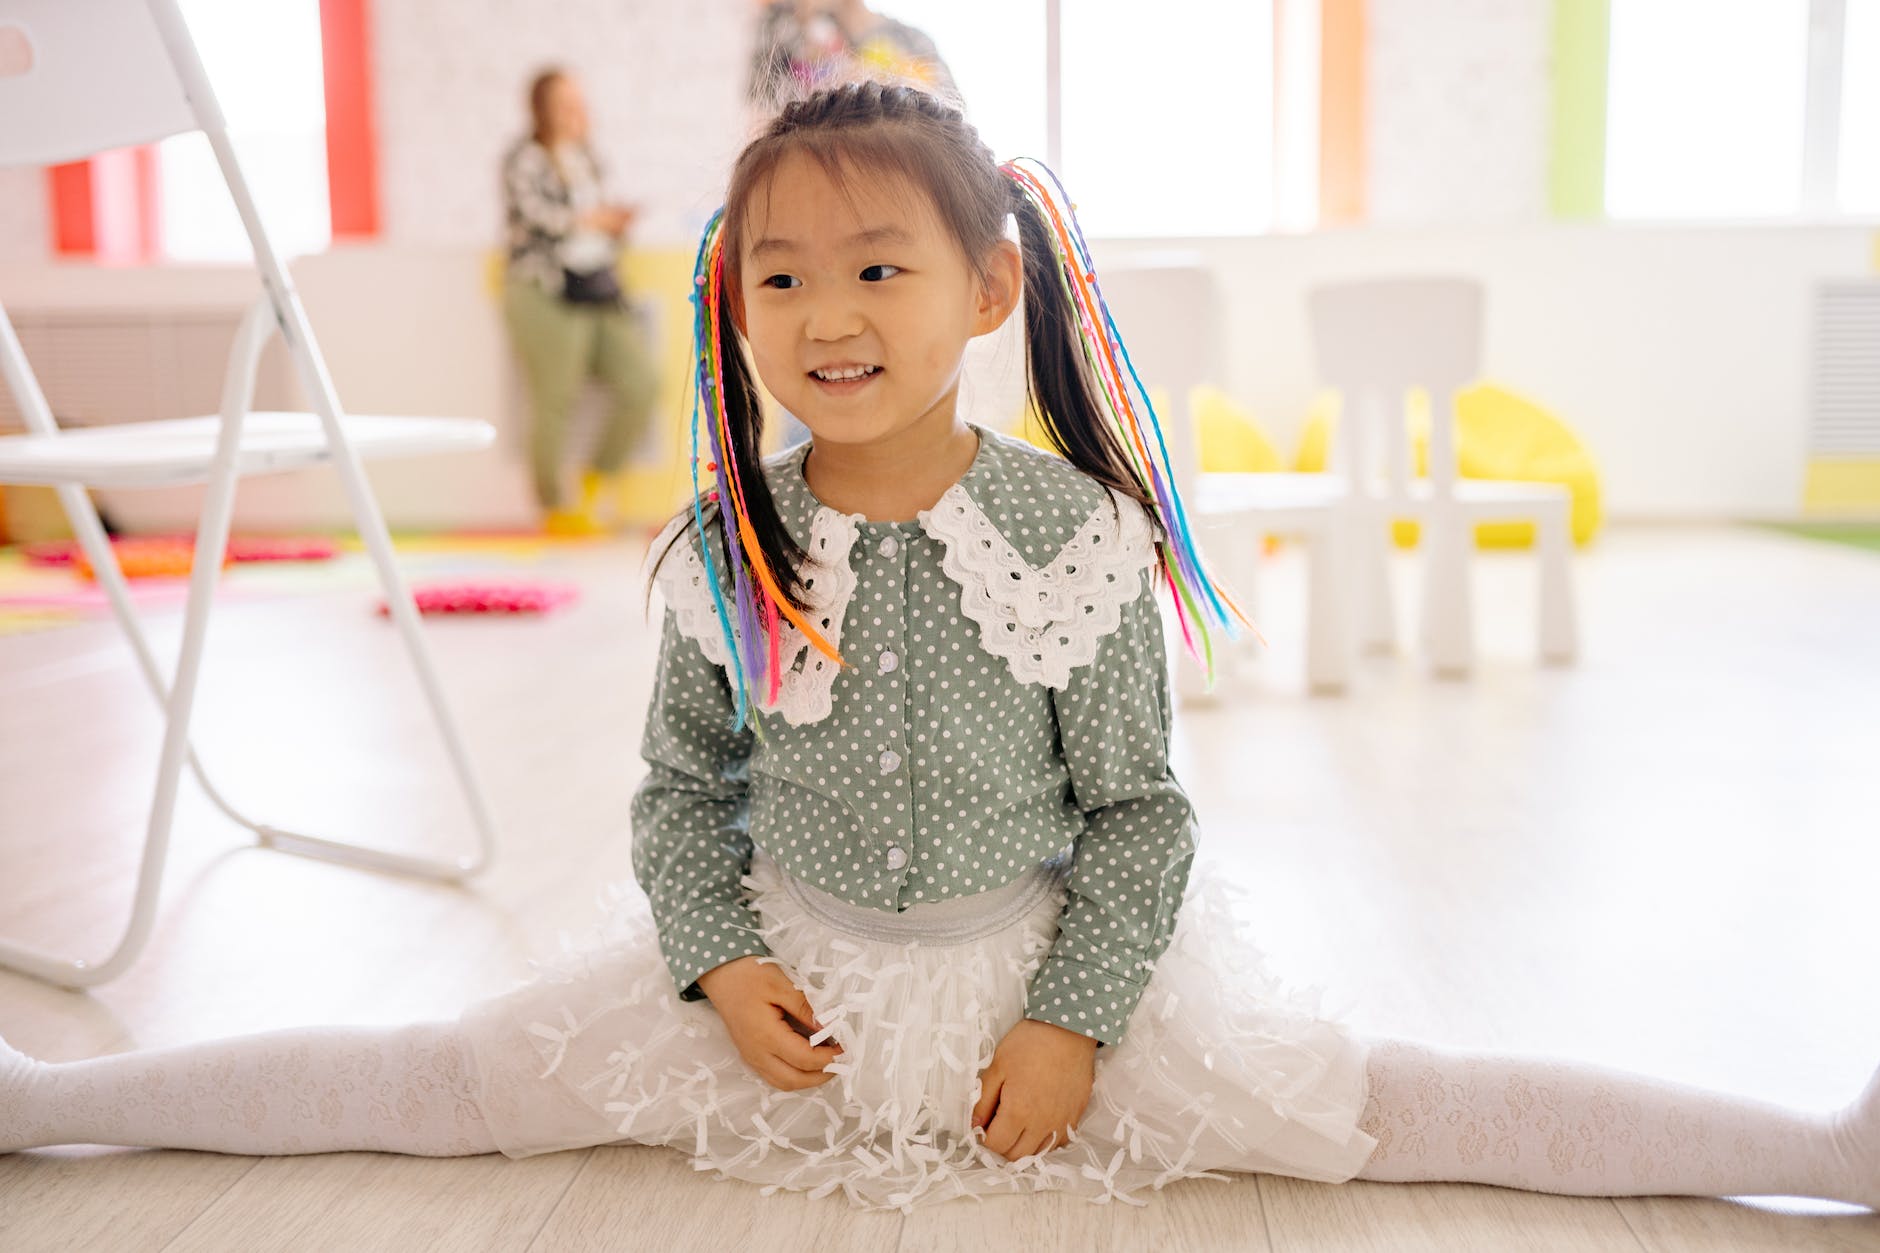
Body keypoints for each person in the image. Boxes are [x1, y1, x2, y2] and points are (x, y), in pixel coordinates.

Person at [3, 84, 1877, 1217]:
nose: (825, 314)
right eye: (778, 274)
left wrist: (1070, 1018)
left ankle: (1815, 1137)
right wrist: (723, 968)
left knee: (1384, 1113)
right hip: (785, 998)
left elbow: (1139, 816)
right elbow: (678, 795)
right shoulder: (729, 541)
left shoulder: (1072, 531)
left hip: (1047, 990)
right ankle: (52, 1107)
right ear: (729, 298)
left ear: (988, 289)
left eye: (877, 267)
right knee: (436, 1088)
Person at [501, 67, 659, 536]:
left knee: (642, 383)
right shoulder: (525, 158)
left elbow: (594, 226)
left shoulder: (589, 158)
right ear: (542, 109)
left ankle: (598, 484)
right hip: (545, 287)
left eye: (579, 101)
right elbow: (537, 218)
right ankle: (554, 506)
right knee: (555, 396)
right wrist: (592, 220)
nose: (576, 111)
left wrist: (613, 224)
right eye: (564, 102)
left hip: (596, 287)